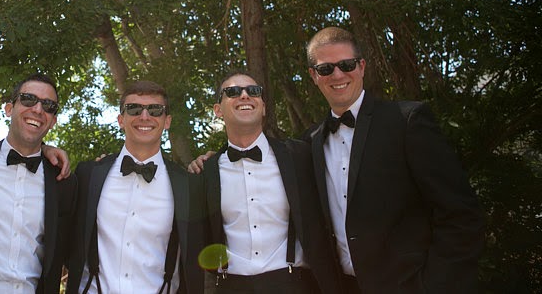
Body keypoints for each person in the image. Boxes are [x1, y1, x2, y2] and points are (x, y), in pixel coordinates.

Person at [305, 27, 483, 293]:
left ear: (362, 67)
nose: (338, 75)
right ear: (314, 76)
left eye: (347, 65)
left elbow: (461, 214)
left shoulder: (407, 122)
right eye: (326, 69)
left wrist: (432, 286)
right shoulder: (310, 142)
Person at [195, 71, 340, 294]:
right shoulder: (206, 172)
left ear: (263, 107)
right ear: (218, 110)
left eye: (253, 91)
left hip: (293, 283)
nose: (244, 95)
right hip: (230, 285)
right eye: (233, 92)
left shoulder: (300, 155)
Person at [66, 80, 202, 294]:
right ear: (121, 120)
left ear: (167, 121)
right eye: (134, 109)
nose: (144, 116)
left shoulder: (187, 185)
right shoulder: (88, 174)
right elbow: (61, 236)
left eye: (155, 110)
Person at [0, 73, 77, 293]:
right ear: (9, 109)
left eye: (48, 106)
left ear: (53, 121)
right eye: (28, 99)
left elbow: (70, 251)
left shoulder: (62, 181)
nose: (38, 109)